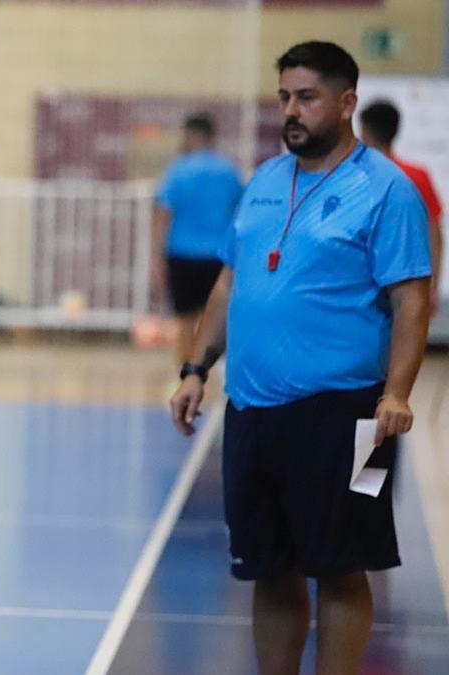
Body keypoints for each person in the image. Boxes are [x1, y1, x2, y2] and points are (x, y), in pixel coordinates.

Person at [169, 42, 432, 675]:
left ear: (347, 104)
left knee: (343, 567)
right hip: (254, 413)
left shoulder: (388, 190)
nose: (291, 110)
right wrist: (195, 368)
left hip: (353, 417)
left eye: (306, 97)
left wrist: (396, 393)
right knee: (269, 567)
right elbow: (229, 285)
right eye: (284, 96)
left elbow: (413, 303)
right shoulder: (262, 180)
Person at [152, 113, 244, 365]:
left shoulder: (177, 170)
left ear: (190, 136)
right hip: (218, 255)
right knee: (213, 319)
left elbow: (162, 212)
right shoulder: (228, 170)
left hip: (181, 254)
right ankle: (208, 377)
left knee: (184, 320)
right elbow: (242, 211)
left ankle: (184, 377)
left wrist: (156, 256)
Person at [360, 99, 444, 313]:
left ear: (365, 131)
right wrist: (432, 288)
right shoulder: (416, 176)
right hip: (407, 283)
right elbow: (434, 234)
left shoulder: (356, 177)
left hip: (364, 285)